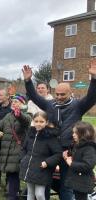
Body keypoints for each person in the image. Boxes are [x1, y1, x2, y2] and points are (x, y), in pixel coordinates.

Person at [22, 62, 96, 200]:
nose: (59, 97)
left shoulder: (78, 106)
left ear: (70, 93)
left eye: (63, 94)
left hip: (68, 150)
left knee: (66, 185)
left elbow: (92, 97)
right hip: (49, 150)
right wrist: (27, 81)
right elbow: (34, 96)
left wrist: (94, 79)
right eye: (57, 94)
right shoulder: (50, 104)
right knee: (43, 182)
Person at [0, 93, 32, 200]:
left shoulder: (27, 114)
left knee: (13, 174)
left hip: (17, 150)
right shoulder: (8, 116)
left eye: (16, 102)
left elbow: (25, 121)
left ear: (23, 104)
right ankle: (14, 194)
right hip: (7, 151)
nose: (13, 103)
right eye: (13, 102)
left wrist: (19, 115)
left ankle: (12, 196)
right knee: (12, 174)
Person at [19, 111, 62, 200]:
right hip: (29, 167)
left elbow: (58, 154)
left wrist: (47, 162)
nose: (38, 124)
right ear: (33, 121)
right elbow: (24, 148)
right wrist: (23, 159)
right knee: (30, 193)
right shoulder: (30, 134)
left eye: (41, 121)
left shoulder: (50, 137)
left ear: (46, 122)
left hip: (42, 169)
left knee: (39, 194)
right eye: (36, 121)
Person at [63, 121, 96, 200]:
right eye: (73, 132)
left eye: (76, 133)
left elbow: (88, 165)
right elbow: (78, 157)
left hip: (83, 182)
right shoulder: (78, 145)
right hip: (76, 180)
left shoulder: (89, 148)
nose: (73, 135)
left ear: (84, 134)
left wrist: (71, 163)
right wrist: (67, 156)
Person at [0, 88, 12, 184]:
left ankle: (9, 181)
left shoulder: (11, 109)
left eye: (1, 95)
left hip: (9, 138)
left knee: (8, 160)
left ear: (7, 96)